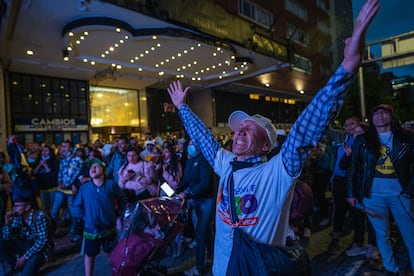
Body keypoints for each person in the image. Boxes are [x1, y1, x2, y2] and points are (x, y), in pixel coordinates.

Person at [166, 1, 379, 274]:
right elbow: (205, 141)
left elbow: (305, 130)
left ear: (266, 144)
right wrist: (183, 108)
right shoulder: (226, 164)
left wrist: (347, 68)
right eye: (239, 128)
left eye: (249, 129)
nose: (240, 131)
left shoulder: (277, 171)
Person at [348, 104, 414, 275]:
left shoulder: (406, 138)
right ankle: (392, 269)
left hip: (400, 195)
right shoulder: (362, 141)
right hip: (373, 195)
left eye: (384, 112)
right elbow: (353, 168)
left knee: (410, 236)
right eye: (376, 113)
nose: (380, 115)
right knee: (382, 235)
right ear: (371, 119)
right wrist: (351, 193)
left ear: (391, 117)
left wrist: (409, 191)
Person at [72, 158, 128, 276]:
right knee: (90, 253)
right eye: (91, 167)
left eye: (96, 166)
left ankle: (116, 273)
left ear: (103, 170)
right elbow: (76, 206)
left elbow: (123, 199)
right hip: (91, 228)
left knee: (112, 252)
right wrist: (85, 218)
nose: (93, 169)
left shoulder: (111, 184)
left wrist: (116, 213)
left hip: (109, 226)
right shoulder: (84, 188)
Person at [327, 116, 365, 254]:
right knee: (339, 210)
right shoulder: (342, 138)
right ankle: (335, 238)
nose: (349, 127)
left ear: (359, 124)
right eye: (346, 125)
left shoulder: (362, 140)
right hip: (338, 180)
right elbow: (326, 130)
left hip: (354, 181)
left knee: (357, 213)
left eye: (352, 123)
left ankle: (358, 242)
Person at [177, 140, 215, 275]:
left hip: (206, 200)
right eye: (190, 144)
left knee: (200, 231)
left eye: (193, 144)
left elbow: (205, 183)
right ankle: (211, 257)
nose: (190, 146)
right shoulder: (189, 161)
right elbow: (186, 180)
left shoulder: (204, 160)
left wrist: (188, 193)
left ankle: (199, 266)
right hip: (195, 200)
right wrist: (176, 190)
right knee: (206, 231)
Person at [0, 196, 54, 275]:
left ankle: (24, 267)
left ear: (27, 207)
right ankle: (15, 267)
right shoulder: (18, 217)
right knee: (1, 243)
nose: (14, 209)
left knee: (25, 274)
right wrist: (7, 223)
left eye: (18, 206)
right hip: (27, 244)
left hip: (39, 249)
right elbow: (7, 237)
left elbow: (42, 241)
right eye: (14, 206)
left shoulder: (39, 216)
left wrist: (25, 257)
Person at [50, 140, 83, 240]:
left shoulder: (78, 160)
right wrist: (59, 182)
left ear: (71, 148)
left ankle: (73, 233)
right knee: (54, 211)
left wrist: (67, 184)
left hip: (71, 190)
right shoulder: (63, 160)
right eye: (62, 146)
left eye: (65, 147)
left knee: (74, 213)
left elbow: (77, 175)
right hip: (61, 189)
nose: (63, 149)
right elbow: (60, 172)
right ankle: (53, 231)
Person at [32, 145, 59, 215]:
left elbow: (52, 173)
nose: (44, 152)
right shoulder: (38, 161)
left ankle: (54, 221)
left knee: (53, 206)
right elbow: (34, 172)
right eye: (43, 150)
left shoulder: (54, 161)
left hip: (52, 187)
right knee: (45, 206)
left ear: (50, 152)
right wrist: (40, 164)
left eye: (46, 150)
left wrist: (45, 165)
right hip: (42, 187)